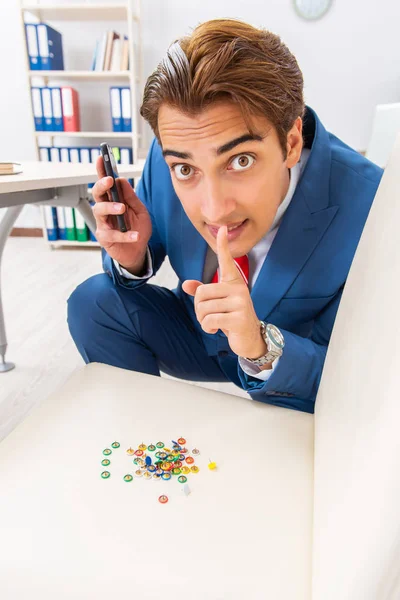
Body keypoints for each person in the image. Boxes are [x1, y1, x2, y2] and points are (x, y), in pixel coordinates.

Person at [67, 19, 383, 414]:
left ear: (291, 143)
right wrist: (133, 257)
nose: (215, 210)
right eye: (185, 170)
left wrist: (260, 345)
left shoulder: (372, 205)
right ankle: (144, 438)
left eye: (241, 160)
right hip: (202, 334)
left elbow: (358, 380)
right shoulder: (177, 152)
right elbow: (132, 255)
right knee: (94, 301)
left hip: (288, 362)